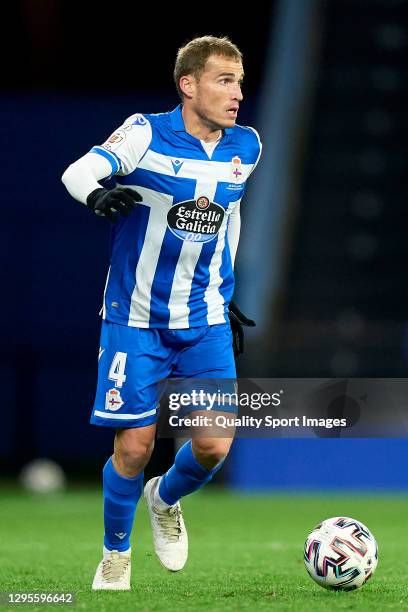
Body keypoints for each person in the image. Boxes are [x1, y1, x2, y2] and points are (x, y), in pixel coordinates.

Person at [61, 35, 262, 590]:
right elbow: (77, 172)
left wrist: (227, 288)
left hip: (204, 320)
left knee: (214, 445)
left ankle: (165, 498)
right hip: (136, 317)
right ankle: (115, 556)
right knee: (135, 445)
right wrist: (97, 196)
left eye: (240, 82)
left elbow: (231, 214)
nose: (237, 93)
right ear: (188, 84)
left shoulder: (246, 145)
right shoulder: (146, 132)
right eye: (225, 80)